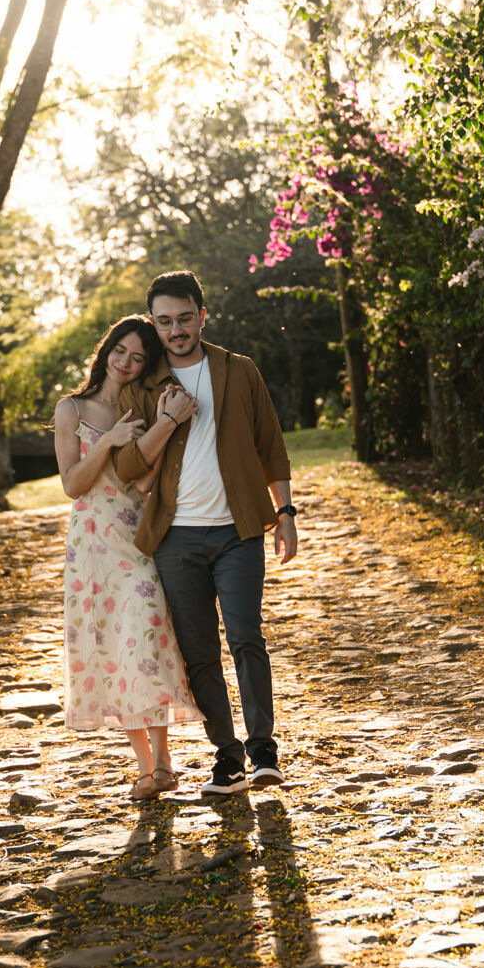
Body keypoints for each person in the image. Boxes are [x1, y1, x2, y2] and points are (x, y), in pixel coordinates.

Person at [111, 269, 298, 797]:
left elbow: (271, 445)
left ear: (202, 316)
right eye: (164, 321)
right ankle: (227, 757)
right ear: (154, 323)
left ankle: (263, 750)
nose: (176, 330)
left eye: (185, 318)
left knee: (246, 638)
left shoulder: (239, 371)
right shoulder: (143, 387)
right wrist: (168, 421)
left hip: (238, 533)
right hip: (176, 540)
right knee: (198, 653)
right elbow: (127, 467)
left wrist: (285, 512)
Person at [54, 315, 202, 801]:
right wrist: (109, 441)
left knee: (147, 641)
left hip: (136, 541)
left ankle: (165, 761)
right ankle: (146, 769)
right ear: (106, 349)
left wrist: (159, 426)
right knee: (111, 651)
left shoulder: (140, 407)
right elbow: (73, 484)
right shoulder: (71, 409)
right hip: (92, 550)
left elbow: (142, 482)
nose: (126, 362)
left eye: (138, 358)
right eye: (120, 350)